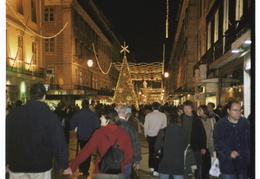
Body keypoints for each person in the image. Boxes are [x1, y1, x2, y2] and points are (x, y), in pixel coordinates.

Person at [6, 83, 70, 179]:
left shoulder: (13, 114)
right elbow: (59, 143)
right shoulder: (51, 117)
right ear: (44, 97)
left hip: (17, 165)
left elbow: (6, 139)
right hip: (41, 167)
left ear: (29, 96)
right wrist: (64, 165)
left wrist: (5, 161)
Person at [68, 108, 134, 179]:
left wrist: (73, 165)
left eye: (102, 117)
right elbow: (129, 155)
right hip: (119, 172)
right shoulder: (124, 133)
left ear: (108, 120)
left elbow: (86, 151)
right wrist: (120, 164)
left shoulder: (99, 133)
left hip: (102, 171)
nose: (100, 118)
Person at [214, 101, 250, 178]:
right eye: (235, 110)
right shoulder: (221, 124)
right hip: (228, 165)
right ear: (228, 111)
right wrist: (228, 153)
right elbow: (217, 142)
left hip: (244, 166)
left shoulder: (245, 122)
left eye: (240, 110)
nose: (238, 112)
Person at [155, 110, 189, 179]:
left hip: (164, 163)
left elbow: (156, 146)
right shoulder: (184, 132)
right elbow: (185, 146)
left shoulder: (162, 131)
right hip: (178, 163)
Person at [70, 99, 100, 176]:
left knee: (82, 150)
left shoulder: (78, 114)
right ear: (88, 105)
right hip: (90, 136)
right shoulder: (92, 114)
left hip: (81, 136)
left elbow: (72, 123)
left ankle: (81, 167)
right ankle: (85, 169)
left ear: (81, 105)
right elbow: (96, 126)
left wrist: (76, 128)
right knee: (88, 153)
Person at [180, 100, 207, 179]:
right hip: (183, 147)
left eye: (188, 108)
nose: (187, 110)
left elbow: (202, 134)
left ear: (192, 108)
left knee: (197, 166)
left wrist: (203, 147)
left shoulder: (196, 119)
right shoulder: (180, 119)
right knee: (183, 166)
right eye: (185, 108)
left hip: (195, 146)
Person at [115, 105, 142, 179]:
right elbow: (135, 144)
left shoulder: (110, 125)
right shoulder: (129, 127)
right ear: (124, 112)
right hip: (126, 159)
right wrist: (137, 160)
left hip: (112, 158)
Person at [144, 102, 167, 176]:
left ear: (152, 107)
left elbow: (146, 126)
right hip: (160, 136)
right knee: (159, 151)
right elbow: (165, 126)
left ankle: (151, 166)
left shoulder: (148, 115)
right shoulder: (163, 115)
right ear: (159, 107)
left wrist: (146, 135)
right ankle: (158, 167)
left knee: (151, 151)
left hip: (151, 135)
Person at [197, 105, 216, 179]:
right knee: (200, 163)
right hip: (201, 144)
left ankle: (207, 175)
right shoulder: (197, 119)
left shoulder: (212, 119)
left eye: (200, 110)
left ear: (204, 110)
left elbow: (214, 131)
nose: (199, 112)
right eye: (198, 110)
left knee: (208, 162)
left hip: (209, 145)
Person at [53, 101, 71, 174]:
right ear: (64, 107)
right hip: (64, 137)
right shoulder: (66, 115)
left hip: (55, 137)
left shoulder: (53, 114)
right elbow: (68, 127)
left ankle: (56, 169)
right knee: (64, 153)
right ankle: (64, 167)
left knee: (56, 153)